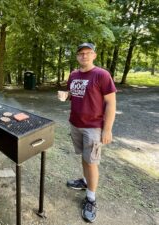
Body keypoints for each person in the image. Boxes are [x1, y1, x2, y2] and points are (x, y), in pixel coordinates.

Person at [59, 43, 116, 223]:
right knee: (84, 158)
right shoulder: (74, 75)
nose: (84, 56)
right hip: (75, 124)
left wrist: (107, 129)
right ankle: (85, 181)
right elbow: (72, 94)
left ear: (94, 55)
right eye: (81, 53)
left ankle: (91, 199)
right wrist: (65, 96)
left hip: (93, 127)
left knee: (92, 163)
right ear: (77, 57)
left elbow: (111, 104)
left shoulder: (102, 75)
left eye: (87, 53)